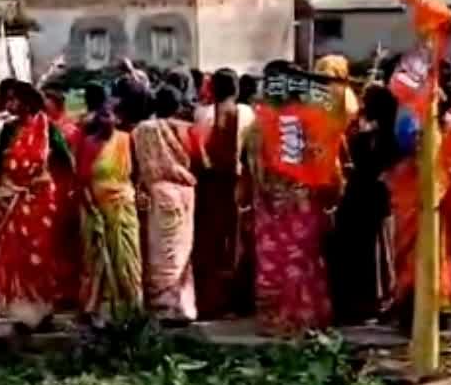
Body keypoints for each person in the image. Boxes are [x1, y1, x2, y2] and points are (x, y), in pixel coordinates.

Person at [246, 63, 338, 335]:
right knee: (302, 256)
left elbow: (253, 164)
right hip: (301, 201)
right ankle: (304, 316)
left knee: (273, 258)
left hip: (269, 202)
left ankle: (275, 320)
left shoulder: (259, 124)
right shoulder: (309, 120)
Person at [0, 82, 73, 329]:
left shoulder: (49, 129)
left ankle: (43, 312)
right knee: (16, 257)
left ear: (27, 101)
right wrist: (3, 188)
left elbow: (66, 163)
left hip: (41, 200)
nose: (10, 106)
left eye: (14, 100)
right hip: (13, 200)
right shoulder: (8, 129)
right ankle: (22, 314)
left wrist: (49, 182)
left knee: (41, 255)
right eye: (7, 101)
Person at [330, 83, 400, 324]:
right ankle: (378, 301)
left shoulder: (365, 134)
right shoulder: (390, 133)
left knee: (362, 251)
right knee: (377, 250)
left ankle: (361, 304)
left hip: (361, 195)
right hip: (376, 195)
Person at [76, 83, 143, 323]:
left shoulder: (127, 140)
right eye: (103, 114)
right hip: (94, 209)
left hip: (123, 206)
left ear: (118, 118)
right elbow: (82, 179)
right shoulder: (88, 143)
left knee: (126, 257)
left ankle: (131, 309)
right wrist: (90, 207)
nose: (107, 119)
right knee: (97, 260)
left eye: (111, 115)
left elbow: (137, 173)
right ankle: (97, 310)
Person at [192, 69, 254, 319]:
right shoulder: (247, 113)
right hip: (238, 184)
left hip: (210, 186)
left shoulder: (202, 114)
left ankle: (212, 301)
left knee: (213, 243)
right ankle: (238, 300)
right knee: (237, 242)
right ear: (237, 89)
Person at [131, 85, 197, 321]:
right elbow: (198, 158)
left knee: (156, 250)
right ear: (178, 106)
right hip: (183, 193)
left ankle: (159, 305)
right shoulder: (187, 130)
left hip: (154, 192)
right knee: (180, 250)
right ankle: (180, 306)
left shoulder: (141, 131)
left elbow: (135, 165)